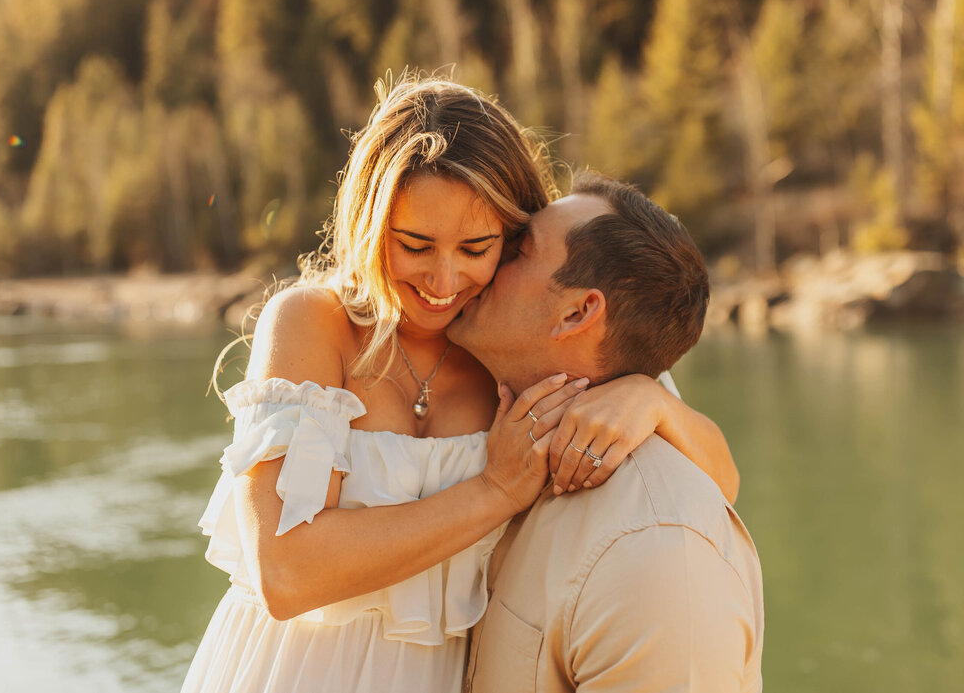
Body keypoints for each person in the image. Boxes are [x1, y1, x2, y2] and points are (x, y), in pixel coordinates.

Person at [181, 75, 739, 693]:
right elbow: (284, 573)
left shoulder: (517, 347)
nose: (444, 282)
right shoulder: (314, 324)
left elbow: (721, 482)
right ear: (371, 225)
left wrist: (653, 399)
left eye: (477, 247)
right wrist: (495, 491)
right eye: (415, 245)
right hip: (283, 673)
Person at [451, 173, 764, 693]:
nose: (484, 260)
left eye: (519, 248)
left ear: (577, 312)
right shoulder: (493, 400)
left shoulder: (659, 558)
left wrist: (656, 401)